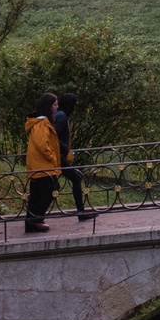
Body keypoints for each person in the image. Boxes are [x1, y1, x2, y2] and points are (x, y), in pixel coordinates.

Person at [22, 93, 61, 233]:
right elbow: (42, 144)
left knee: (37, 192)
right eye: (55, 104)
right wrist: (52, 157)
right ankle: (35, 219)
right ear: (48, 106)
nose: (57, 107)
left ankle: (32, 221)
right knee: (51, 189)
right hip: (42, 164)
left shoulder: (40, 122)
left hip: (39, 164)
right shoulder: (41, 123)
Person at [54, 90, 92, 222]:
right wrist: (65, 149)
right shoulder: (62, 116)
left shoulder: (61, 115)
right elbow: (53, 136)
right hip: (58, 156)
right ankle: (80, 212)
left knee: (53, 185)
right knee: (76, 178)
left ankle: (35, 215)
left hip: (58, 155)